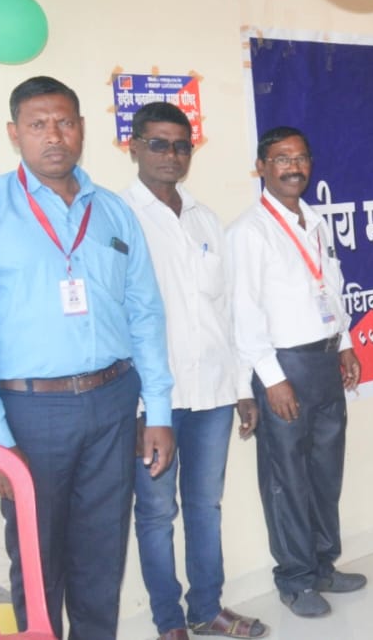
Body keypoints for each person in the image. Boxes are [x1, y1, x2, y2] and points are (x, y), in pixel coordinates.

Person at [0, 76, 174, 638]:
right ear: (14, 133)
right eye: (38, 124)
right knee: (37, 562)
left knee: (102, 557)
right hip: (30, 414)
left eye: (64, 122)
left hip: (113, 402)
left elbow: (146, 314)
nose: (53, 136)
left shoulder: (112, 212)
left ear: (81, 128)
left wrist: (158, 410)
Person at [123, 102, 268, 639]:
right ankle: (169, 623)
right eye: (158, 143)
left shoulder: (205, 218)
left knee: (206, 505)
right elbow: (119, 320)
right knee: (156, 515)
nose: (172, 154)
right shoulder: (119, 217)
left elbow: (225, 311)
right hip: (154, 402)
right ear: (134, 147)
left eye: (182, 145)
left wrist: (241, 388)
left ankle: (207, 609)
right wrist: (139, 407)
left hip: (212, 394)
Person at [228, 126, 364, 617]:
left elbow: (331, 287)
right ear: (261, 167)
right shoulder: (248, 231)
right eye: (282, 158)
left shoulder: (316, 221)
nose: (294, 167)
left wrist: (344, 344)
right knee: (287, 478)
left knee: (326, 472)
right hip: (284, 368)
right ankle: (295, 579)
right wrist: (272, 378)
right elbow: (244, 313)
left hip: (325, 360)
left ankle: (324, 565)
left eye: (301, 157)